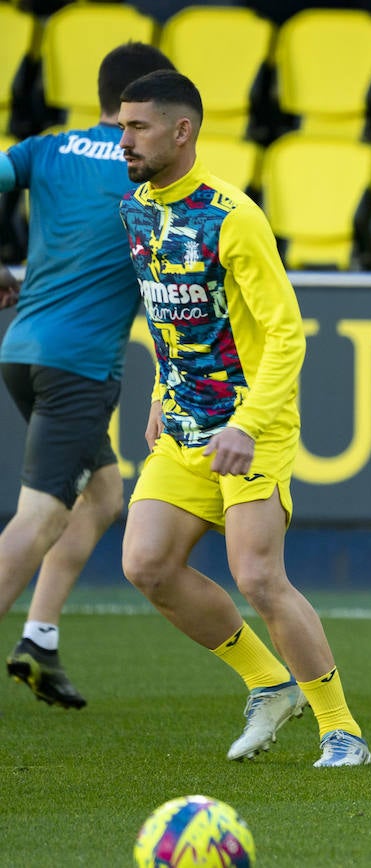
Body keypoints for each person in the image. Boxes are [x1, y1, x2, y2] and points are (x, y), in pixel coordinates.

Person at [116, 69, 370, 768]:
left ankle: (341, 728)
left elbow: (286, 332)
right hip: (184, 423)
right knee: (146, 564)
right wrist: (160, 395)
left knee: (258, 577)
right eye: (121, 126)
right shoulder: (136, 208)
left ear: (182, 130)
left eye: (137, 127)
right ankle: (267, 682)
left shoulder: (233, 216)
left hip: (248, 424)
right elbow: (170, 314)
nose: (124, 139)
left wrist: (248, 425)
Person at [0, 42, 175, 710]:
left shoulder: (45, 149)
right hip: (79, 367)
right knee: (39, 519)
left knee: (103, 494)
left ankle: (39, 638)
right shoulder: (146, 170)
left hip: (22, 351)